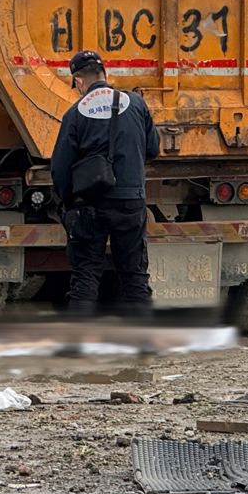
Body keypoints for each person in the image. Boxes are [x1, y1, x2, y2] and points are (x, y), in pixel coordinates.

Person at [49, 49, 160, 317]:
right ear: (105, 74)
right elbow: (153, 149)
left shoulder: (75, 114)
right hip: (131, 201)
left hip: (91, 205)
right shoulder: (136, 104)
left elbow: (60, 168)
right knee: (134, 275)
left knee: (85, 276)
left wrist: (67, 202)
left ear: (78, 81)